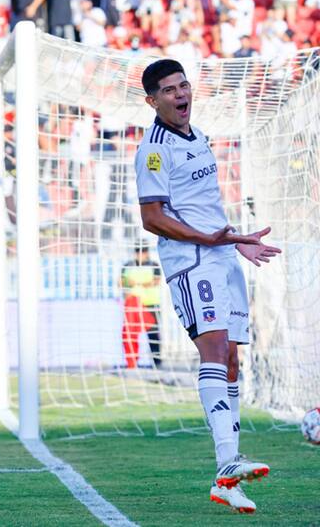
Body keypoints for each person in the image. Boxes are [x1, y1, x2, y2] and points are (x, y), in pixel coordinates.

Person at [134, 59, 281, 513]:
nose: (181, 95)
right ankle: (228, 459)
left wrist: (235, 241)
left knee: (233, 360)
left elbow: (206, 209)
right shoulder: (154, 150)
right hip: (190, 261)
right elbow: (152, 218)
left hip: (219, 255)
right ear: (152, 100)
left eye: (184, 86)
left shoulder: (198, 137)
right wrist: (208, 240)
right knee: (215, 351)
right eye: (169, 90)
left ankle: (226, 482)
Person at [120, 245, 162, 368]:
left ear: (147, 252)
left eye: (143, 251)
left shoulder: (153, 264)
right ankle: (132, 362)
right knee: (130, 333)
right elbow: (121, 282)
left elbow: (156, 281)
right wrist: (130, 283)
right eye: (138, 251)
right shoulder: (128, 265)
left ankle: (157, 362)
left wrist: (139, 283)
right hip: (133, 304)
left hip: (150, 303)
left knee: (153, 333)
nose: (140, 253)